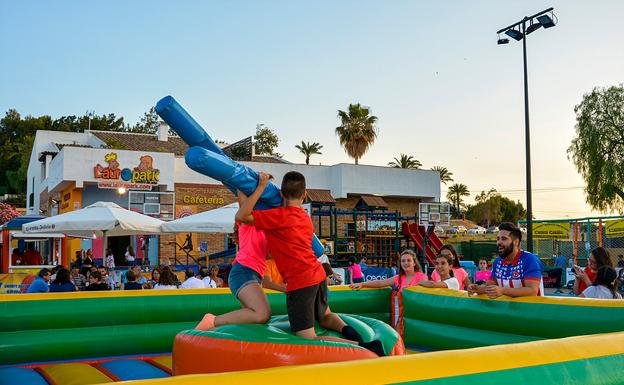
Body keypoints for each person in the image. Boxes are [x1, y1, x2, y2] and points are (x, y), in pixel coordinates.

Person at [230, 171, 385, 356]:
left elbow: (241, 216)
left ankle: (364, 347)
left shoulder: (278, 216)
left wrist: (261, 187)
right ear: (304, 195)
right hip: (317, 275)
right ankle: (350, 331)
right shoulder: (304, 217)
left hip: (301, 283)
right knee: (325, 316)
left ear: (280, 194)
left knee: (307, 338)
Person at [196, 187, 272, 330]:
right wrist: (260, 185)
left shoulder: (265, 227)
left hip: (254, 274)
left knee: (253, 319)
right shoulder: (248, 223)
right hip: (243, 271)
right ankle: (212, 321)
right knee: (262, 314)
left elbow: (267, 255)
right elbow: (242, 193)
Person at [467, 222, 543, 298]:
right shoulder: (498, 262)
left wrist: (503, 291)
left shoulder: (530, 260)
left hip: (530, 308)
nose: (499, 242)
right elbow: (489, 286)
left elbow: (532, 291)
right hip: (508, 309)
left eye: (504, 239)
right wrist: (477, 289)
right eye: (498, 239)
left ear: (515, 242)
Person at [351, 249, 427, 292]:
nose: (406, 263)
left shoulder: (421, 277)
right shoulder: (398, 278)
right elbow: (380, 283)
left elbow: (429, 287)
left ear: (414, 263)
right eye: (403, 261)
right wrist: (362, 284)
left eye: (409, 260)